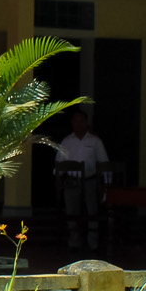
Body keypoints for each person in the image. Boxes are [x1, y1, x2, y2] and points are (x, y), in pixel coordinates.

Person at [53, 107, 108, 251]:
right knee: (72, 213)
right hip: (71, 181)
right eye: (76, 121)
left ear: (86, 123)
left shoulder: (95, 141)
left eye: (81, 121)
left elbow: (104, 163)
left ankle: (93, 243)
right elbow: (58, 165)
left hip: (90, 181)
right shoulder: (66, 141)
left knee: (92, 213)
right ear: (72, 123)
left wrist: (105, 184)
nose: (78, 124)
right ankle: (74, 242)